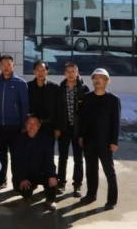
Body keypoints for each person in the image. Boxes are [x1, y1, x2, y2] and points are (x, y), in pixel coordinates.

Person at [78, 68, 121, 211]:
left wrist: (114, 141)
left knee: (109, 171)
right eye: (95, 78)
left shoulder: (113, 100)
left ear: (107, 81)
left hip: (106, 141)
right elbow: (83, 119)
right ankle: (91, 195)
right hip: (89, 140)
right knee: (91, 169)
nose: (97, 80)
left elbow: (116, 122)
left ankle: (112, 200)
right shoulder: (87, 98)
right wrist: (81, 136)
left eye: (101, 78)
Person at [0, 55, 29, 188]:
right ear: (0, 66)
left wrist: (24, 125)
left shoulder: (21, 83)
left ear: (13, 65)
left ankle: (17, 182)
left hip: (15, 126)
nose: (6, 67)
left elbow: (25, 106)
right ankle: (1, 180)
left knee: (16, 155)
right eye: (3, 65)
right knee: (1, 155)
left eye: (8, 64)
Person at [54, 62, 89, 196]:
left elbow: (86, 113)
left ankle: (77, 185)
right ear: (64, 73)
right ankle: (61, 183)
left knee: (78, 158)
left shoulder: (83, 89)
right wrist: (57, 127)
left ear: (77, 73)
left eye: (73, 71)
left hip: (78, 129)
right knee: (62, 158)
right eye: (68, 71)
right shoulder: (60, 89)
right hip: (64, 128)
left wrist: (83, 132)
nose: (70, 74)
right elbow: (56, 111)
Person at [13, 115, 58, 211]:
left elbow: (49, 159)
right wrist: (22, 178)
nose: (31, 126)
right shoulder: (19, 139)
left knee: (52, 180)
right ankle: (29, 191)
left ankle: (50, 200)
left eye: (34, 124)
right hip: (27, 174)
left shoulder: (45, 139)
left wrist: (51, 175)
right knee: (24, 189)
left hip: (42, 172)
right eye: (29, 123)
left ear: (39, 125)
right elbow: (16, 161)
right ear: (25, 124)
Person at [28, 61, 60, 135]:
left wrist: (58, 127)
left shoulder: (55, 87)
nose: (40, 73)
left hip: (49, 126)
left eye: (43, 70)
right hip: (32, 126)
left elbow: (59, 109)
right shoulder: (28, 87)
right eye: (38, 70)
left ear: (47, 72)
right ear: (34, 71)